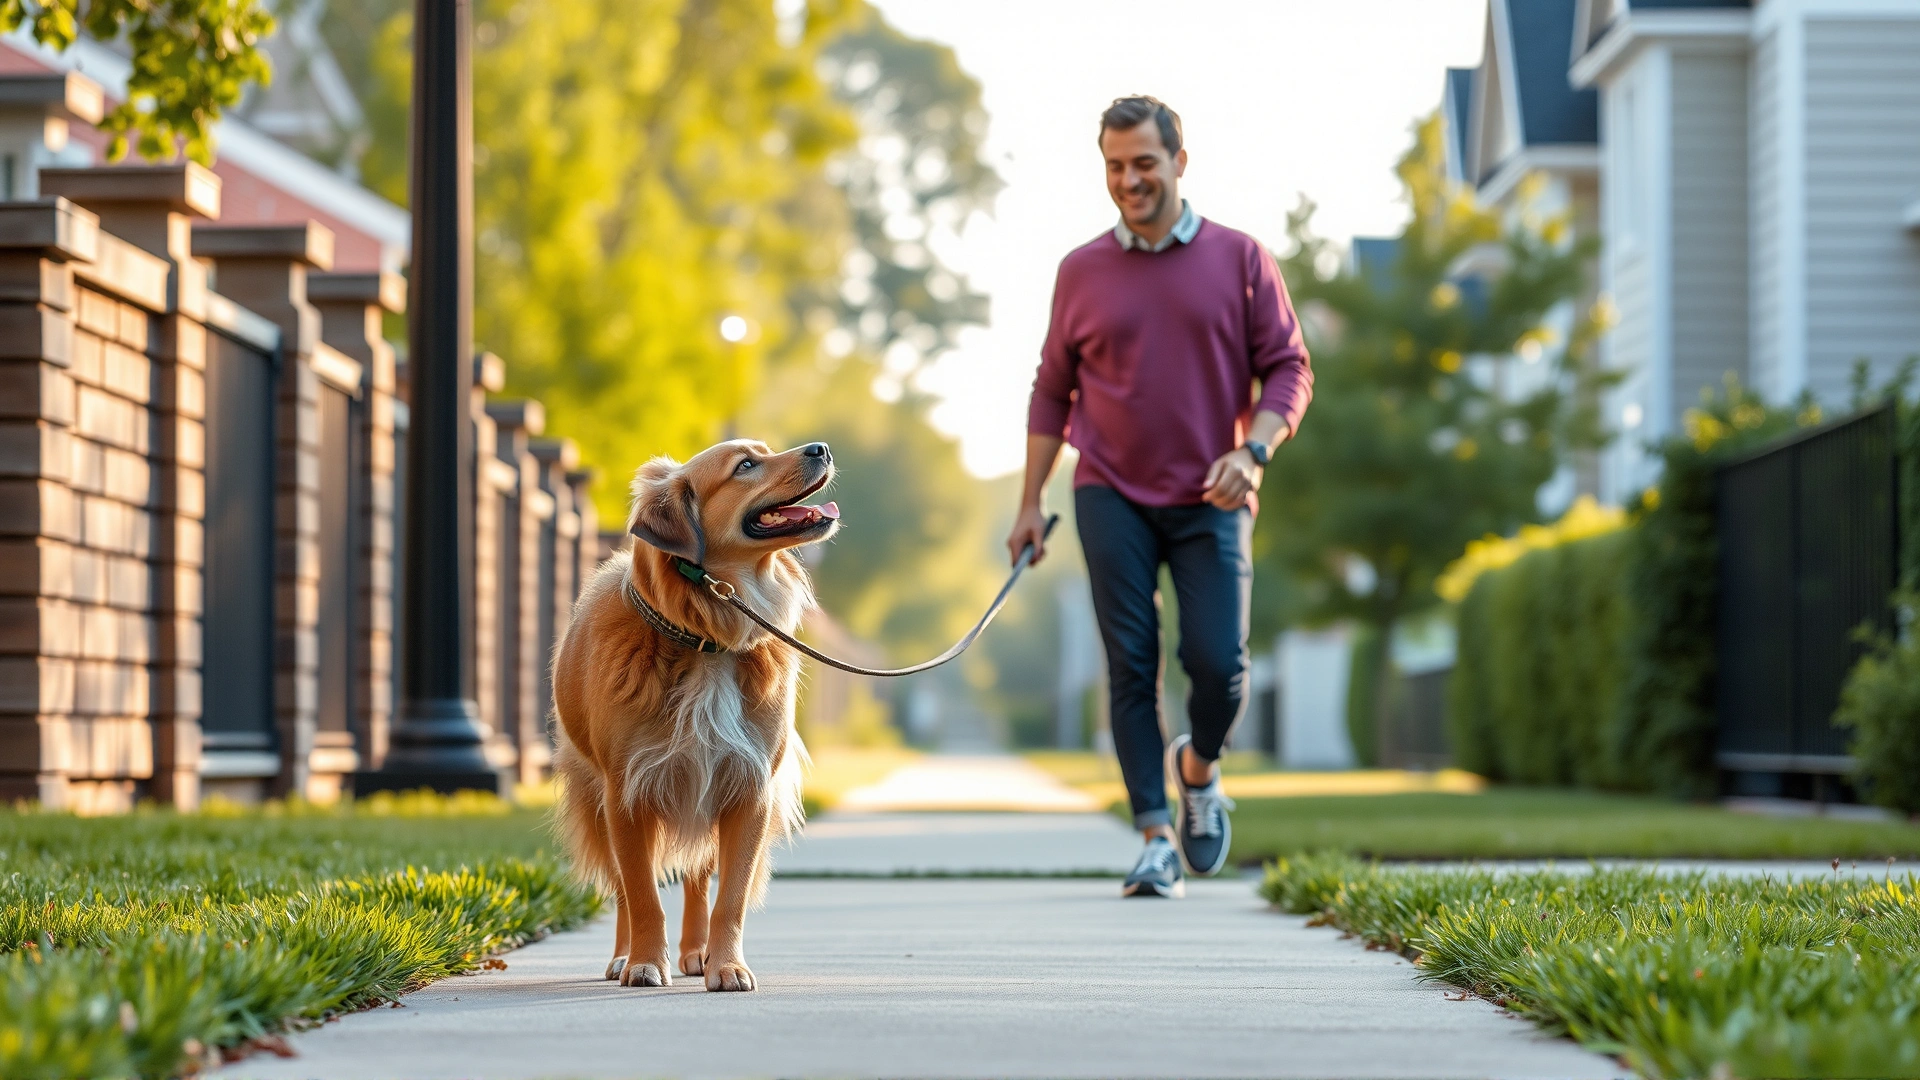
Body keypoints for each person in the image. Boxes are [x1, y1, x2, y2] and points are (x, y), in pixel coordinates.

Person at [1007, 95, 1312, 898]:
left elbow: (1289, 366)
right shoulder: (1081, 270)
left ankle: (1198, 772)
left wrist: (1254, 451)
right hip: (1110, 489)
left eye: (1144, 162)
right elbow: (1051, 391)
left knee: (1220, 667)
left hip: (1214, 492)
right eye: (1114, 165)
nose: (1129, 180)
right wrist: (1031, 501)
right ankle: (1151, 835)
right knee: (1130, 663)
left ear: (1180, 161)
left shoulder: (1241, 259)